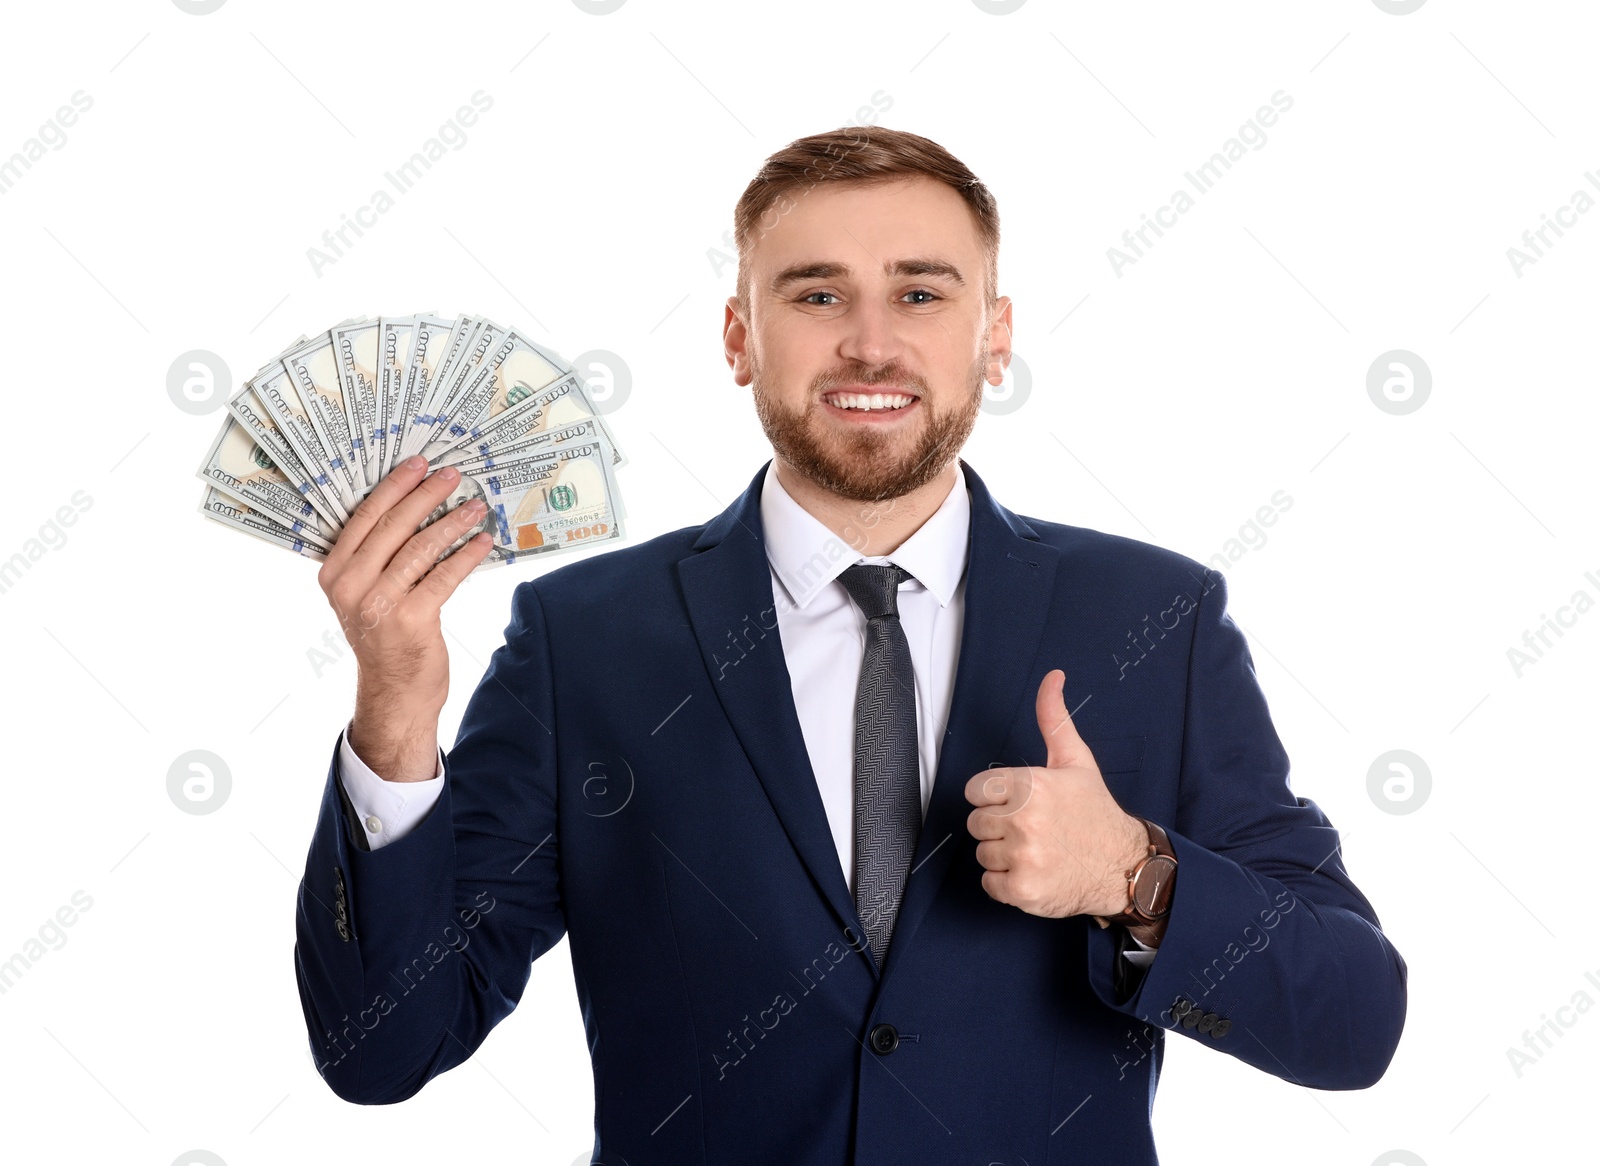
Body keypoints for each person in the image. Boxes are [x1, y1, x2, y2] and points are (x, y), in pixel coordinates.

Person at [294, 126, 1406, 1165]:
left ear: (996, 336)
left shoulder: (1155, 619)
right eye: (817, 292)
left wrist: (1133, 873)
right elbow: (382, 1052)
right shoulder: (583, 637)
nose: (870, 341)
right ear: (740, 337)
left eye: (920, 292)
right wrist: (392, 709)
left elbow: (1353, 1021)